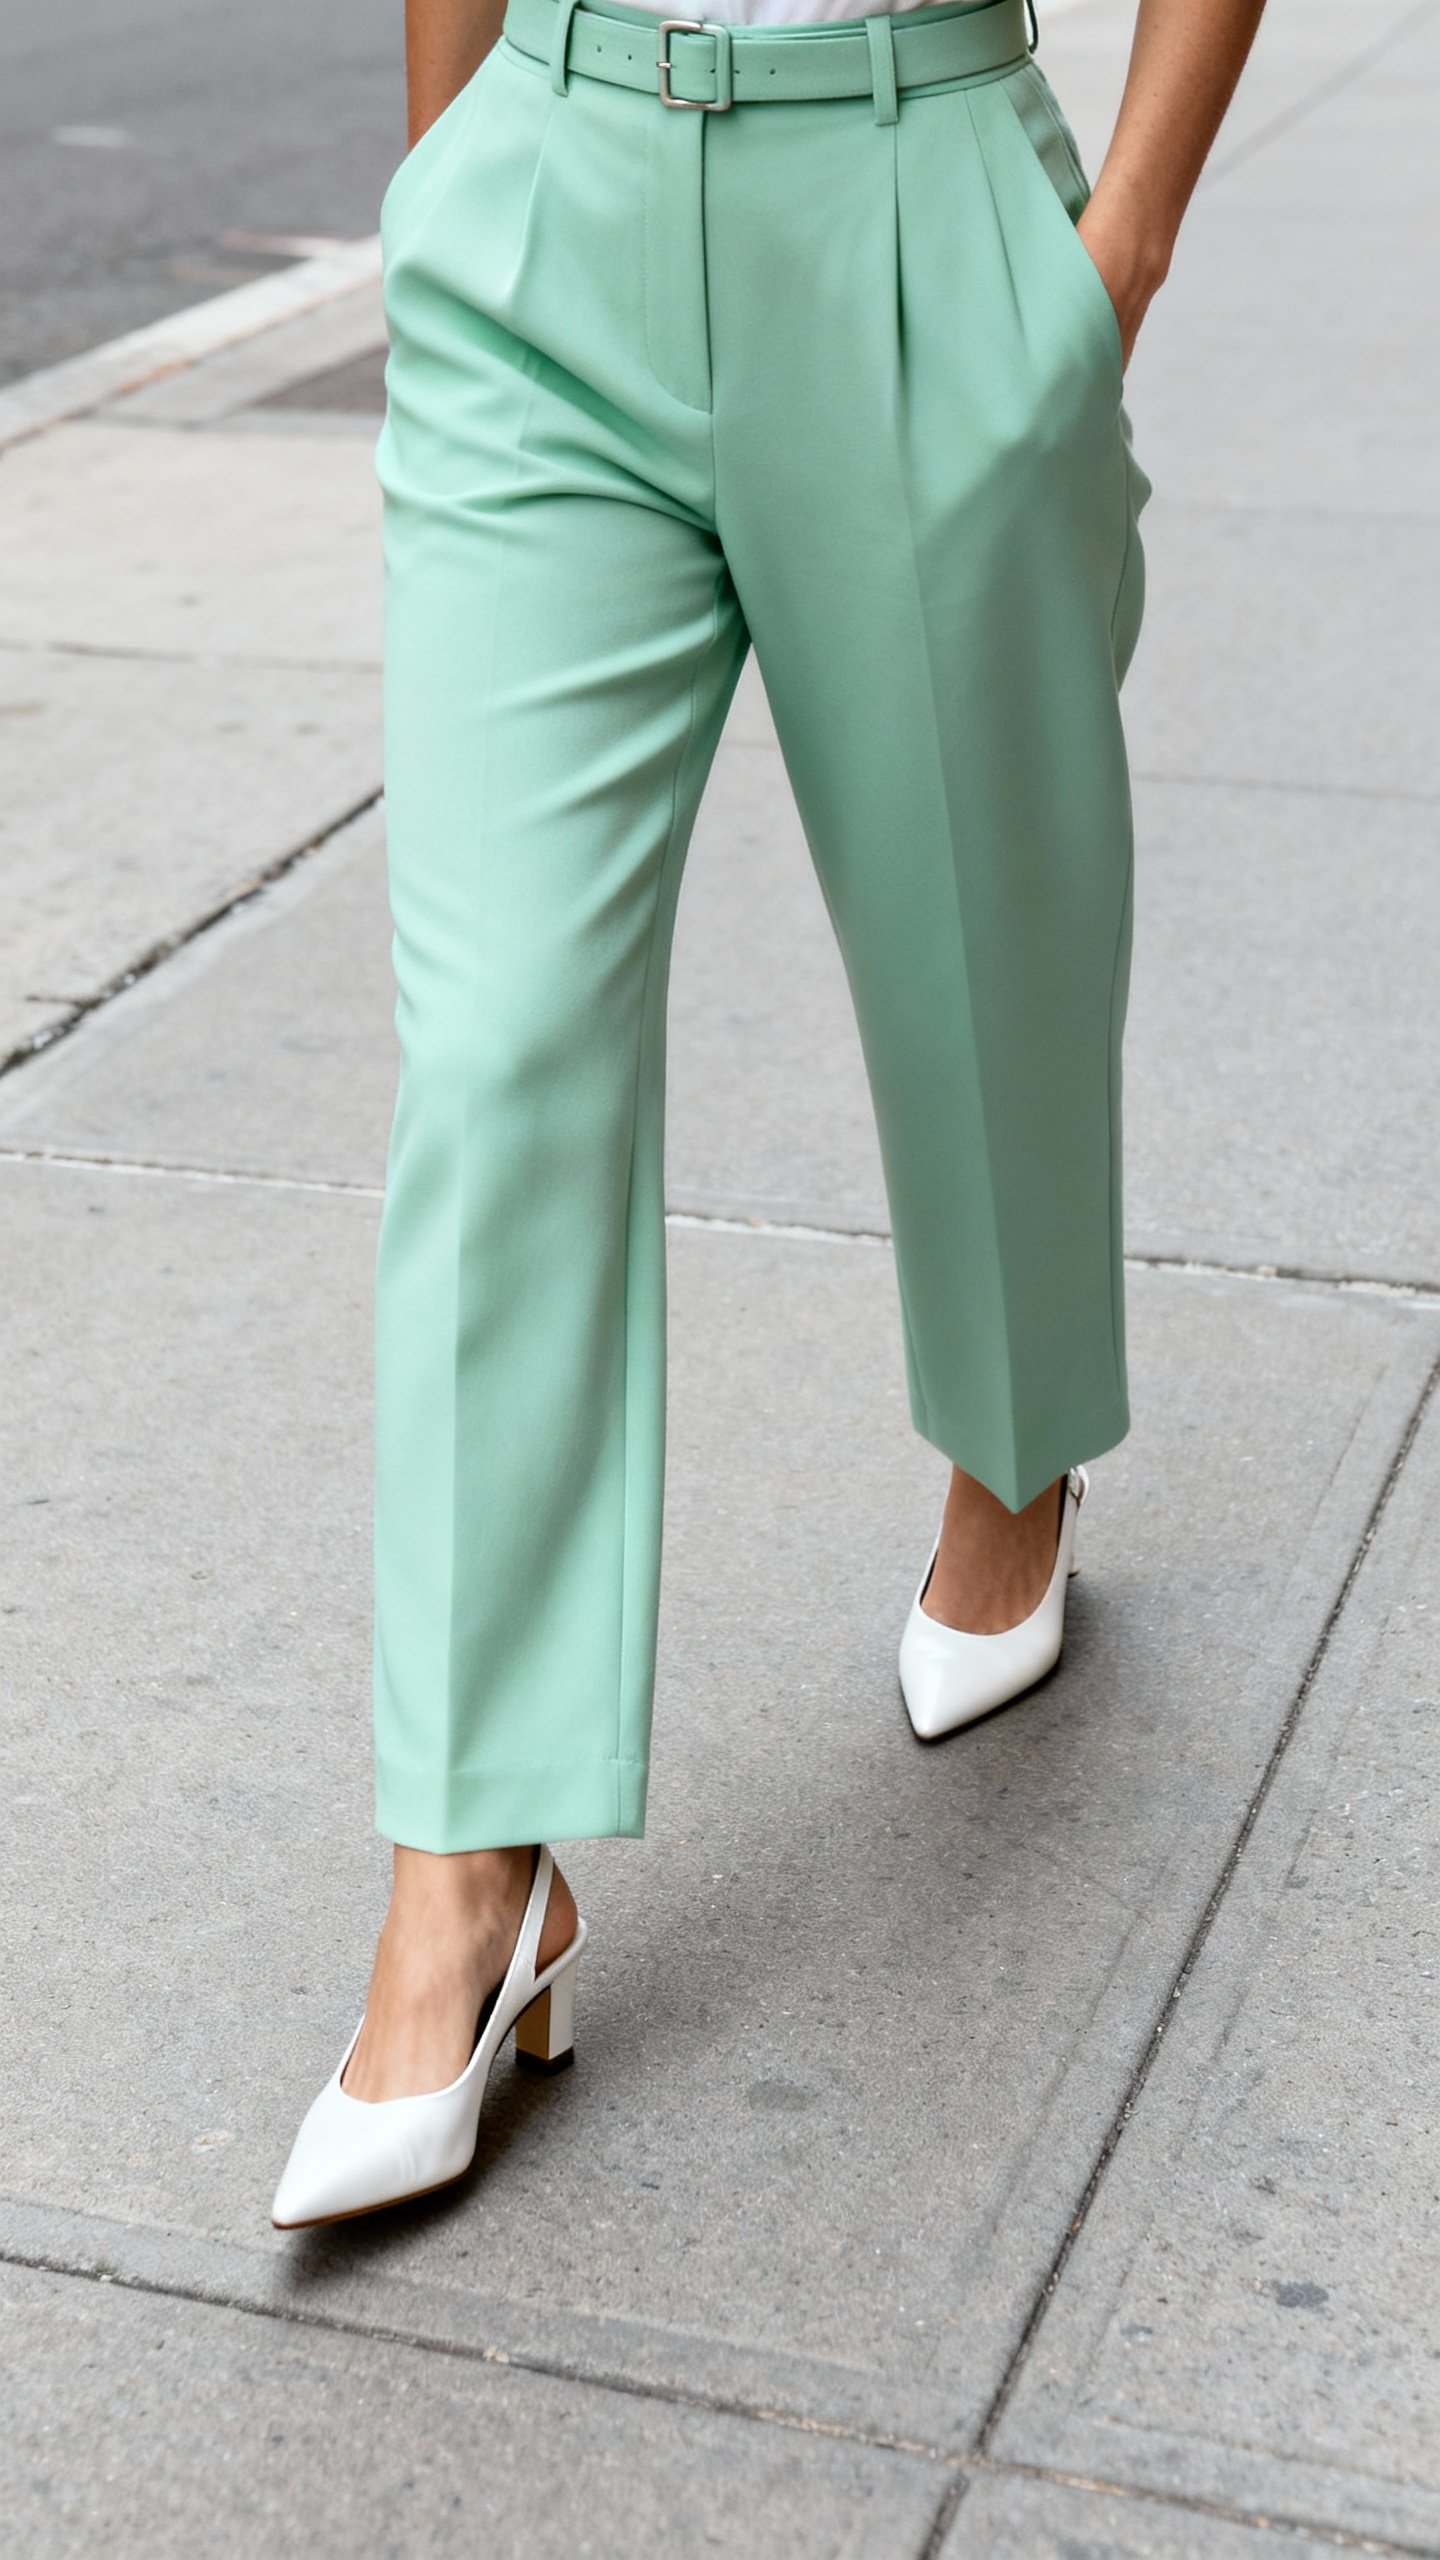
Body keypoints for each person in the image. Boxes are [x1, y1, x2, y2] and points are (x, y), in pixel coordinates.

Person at [271, 0, 1266, 2228]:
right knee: (500, 1034)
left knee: (983, 944)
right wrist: (449, 182)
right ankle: (465, 1864)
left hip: (914, 189)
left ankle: (1015, 1457)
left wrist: (1122, 246)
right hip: (550, 198)